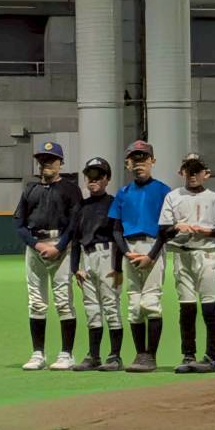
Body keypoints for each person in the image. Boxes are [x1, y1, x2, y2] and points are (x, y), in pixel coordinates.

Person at [14, 140, 83, 370]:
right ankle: (38, 354)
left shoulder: (70, 189)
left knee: (63, 301)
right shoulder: (30, 189)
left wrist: (59, 246)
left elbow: (75, 224)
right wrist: (35, 244)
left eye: (51, 159)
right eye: (42, 159)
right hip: (36, 246)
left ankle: (66, 354)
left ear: (60, 162)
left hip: (61, 245)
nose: (46, 163)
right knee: (36, 302)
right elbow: (19, 223)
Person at [156, 153, 215, 374]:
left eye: (197, 170)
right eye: (189, 170)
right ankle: (188, 354)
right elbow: (163, 230)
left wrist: (204, 231)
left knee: (209, 305)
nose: (192, 174)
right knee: (186, 306)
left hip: (205, 253)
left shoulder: (214, 198)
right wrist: (177, 227)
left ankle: (212, 356)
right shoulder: (173, 196)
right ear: (182, 172)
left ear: (206, 174)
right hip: (180, 253)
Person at [107, 140, 172, 373]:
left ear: (152, 161)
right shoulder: (123, 193)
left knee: (151, 303)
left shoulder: (163, 190)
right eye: (134, 159)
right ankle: (140, 354)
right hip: (130, 248)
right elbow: (116, 230)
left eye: (143, 158)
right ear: (128, 164)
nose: (139, 163)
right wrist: (126, 253)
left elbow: (166, 229)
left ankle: (151, 356)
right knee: (134, 306)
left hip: (153, 246)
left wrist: (151, 256)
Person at [69, 157, 122, 371]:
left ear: (107, 179)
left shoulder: (113, 203)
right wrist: (75, 268)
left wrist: (118, 267)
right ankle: (94, 355)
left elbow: (119, 236)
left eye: (98, 176)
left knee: (111, 306)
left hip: (108, 255)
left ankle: (115, 356)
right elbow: (75, 239)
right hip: (87, 256)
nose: (93, 180)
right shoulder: (81, 206)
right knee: (91, 308)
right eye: (90, 176)